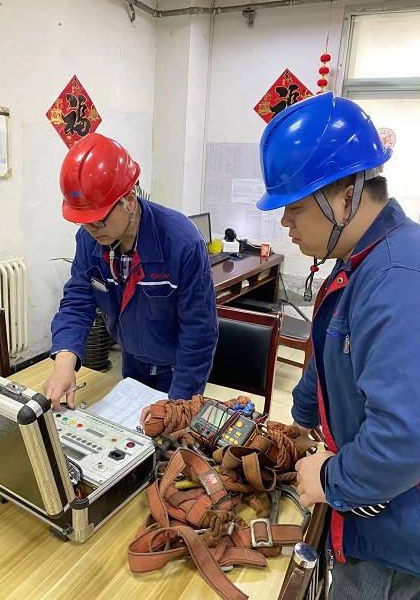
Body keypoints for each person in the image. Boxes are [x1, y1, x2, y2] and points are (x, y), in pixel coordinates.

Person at [256, 92, 420, 599]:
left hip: (392, 537)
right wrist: (302, 420)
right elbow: (330, 349)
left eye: (295, 207)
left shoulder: (396, 278)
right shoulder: (359, 258)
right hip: (369, 498)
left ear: (347, 197)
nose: (285, 223)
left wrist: (331, 479)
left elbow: (404, 437)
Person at [44, 133, 218, 412]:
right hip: (132, 363)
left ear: (129, 200)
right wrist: (64, 366)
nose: (91, 230)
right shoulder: (89, 240)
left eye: (98, 219)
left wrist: (177, 404)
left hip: (176, 369)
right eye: (83, 221)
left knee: (168, 431)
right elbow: (77, 301)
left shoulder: (182, 243)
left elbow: (199, 333)